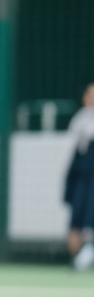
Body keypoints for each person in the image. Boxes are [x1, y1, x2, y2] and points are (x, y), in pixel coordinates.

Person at [64, 82, 94, 269]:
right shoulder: (80, 120)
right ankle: (76, 256)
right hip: (81, 173)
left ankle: (88, 249)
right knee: (77, 215)